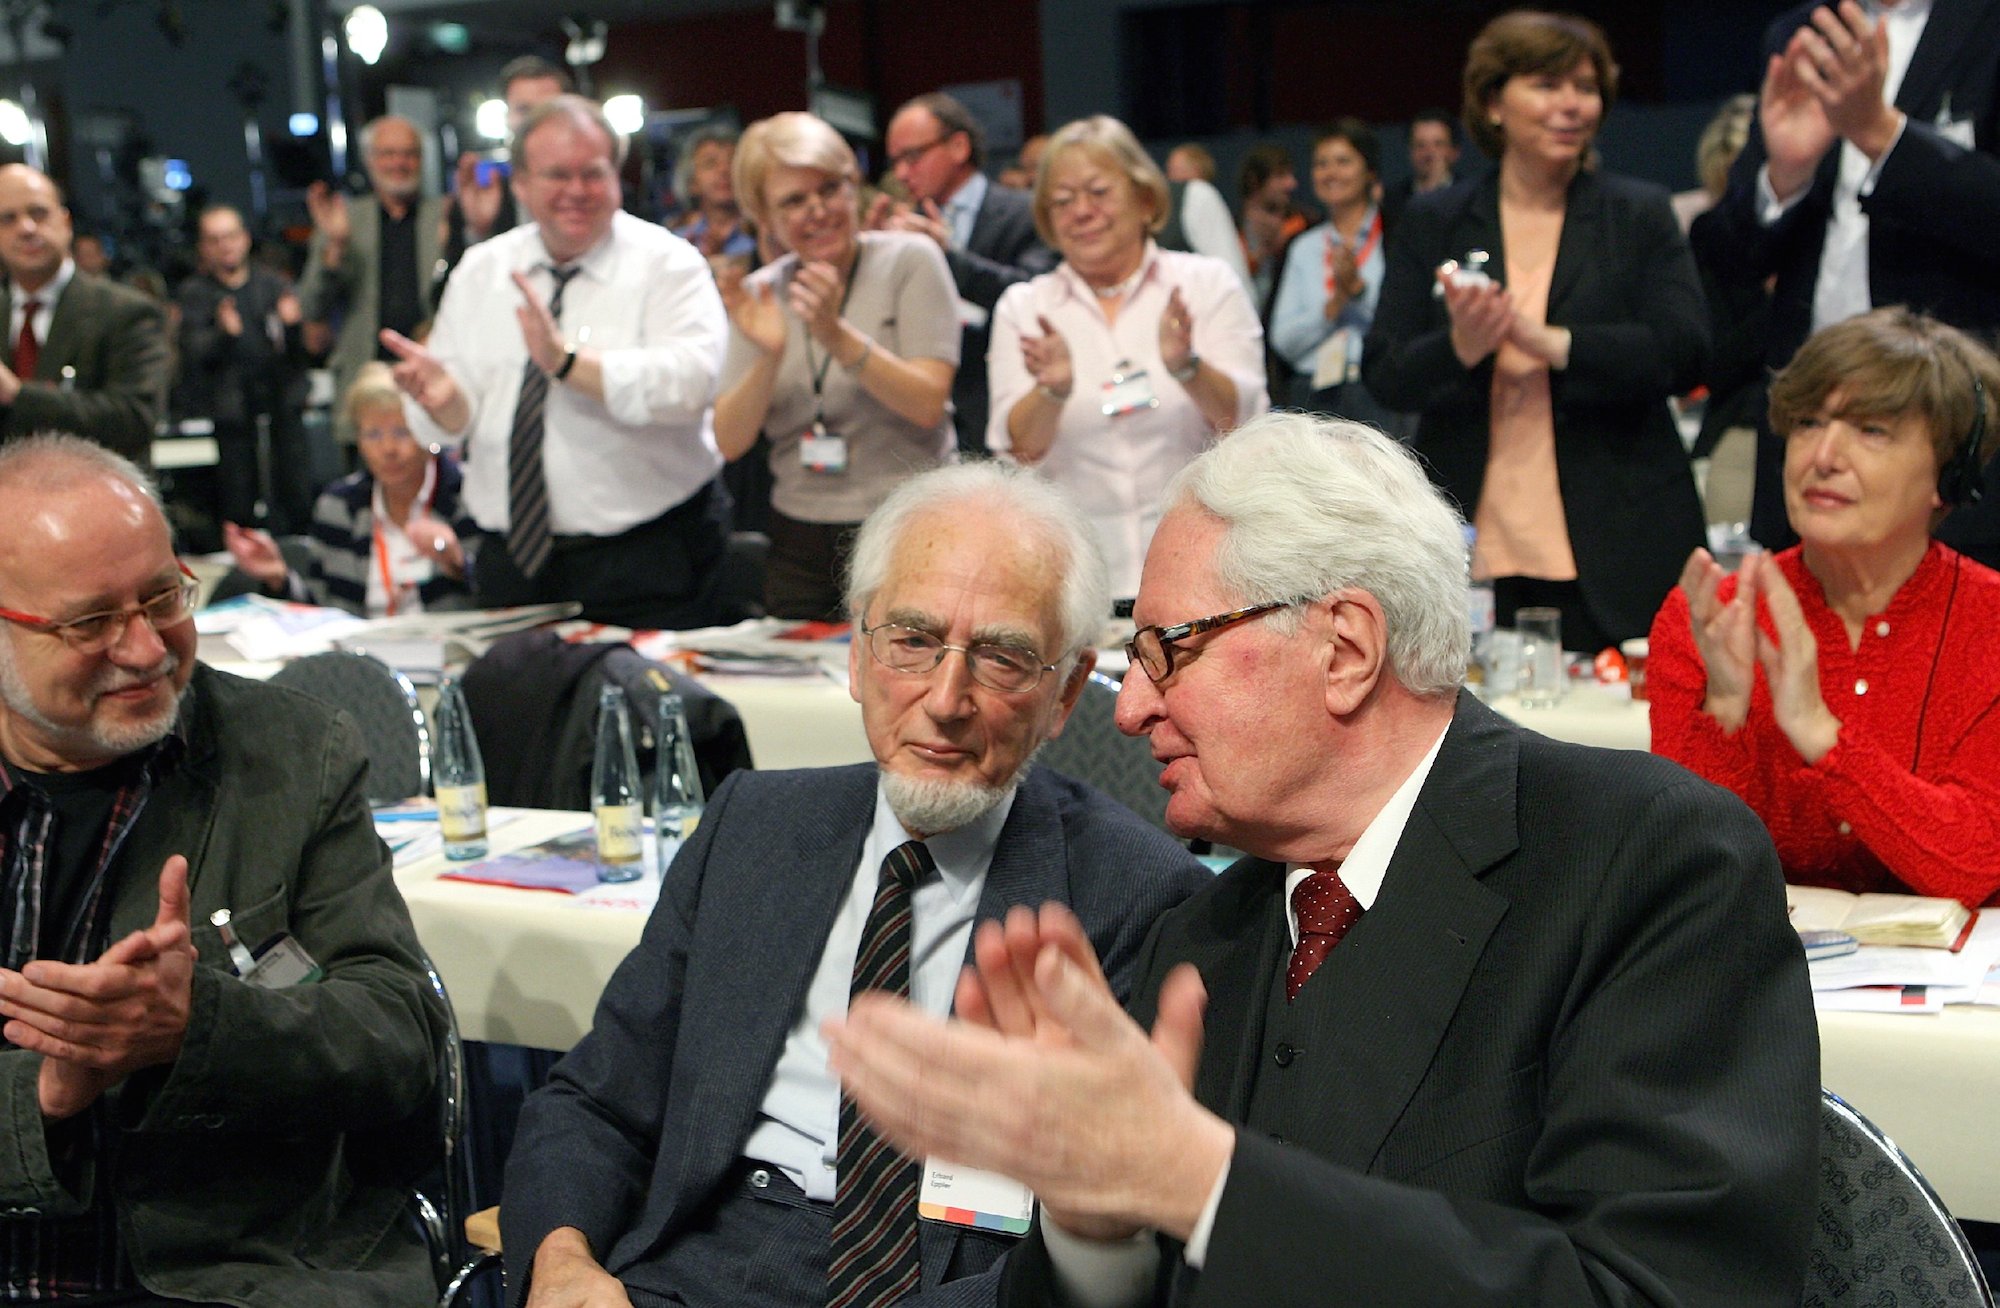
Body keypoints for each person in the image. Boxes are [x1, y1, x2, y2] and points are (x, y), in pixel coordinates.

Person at [826, 411, 1819, 1308]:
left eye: (1168, 650)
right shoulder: (1202, 931)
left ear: (1343, 648)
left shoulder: (1643, 863)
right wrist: (1097, 1220)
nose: (1126, 709)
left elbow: (1650, 1293)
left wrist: (1193, 1176)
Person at [501, 461, 1212, 1308]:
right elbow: (594, 1102)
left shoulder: (1135, 894)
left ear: (1063, 696)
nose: (945, 699)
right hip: (693, 1273)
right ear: (857, 651)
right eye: (913, 641)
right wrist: (564, 1262)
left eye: (1001, 658)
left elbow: (1102, 1248)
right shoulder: (752, 826)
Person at [0, 433, 447, 1305]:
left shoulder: (291, 755)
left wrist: (200, 1025)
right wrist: (47, 1093)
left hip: (232, 1273)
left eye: (164, 595)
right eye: (91, 621)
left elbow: (400, 1041)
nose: (145, 648)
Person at [1364, 10, 1710, 652]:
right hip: (1472, 540)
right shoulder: (1435, 219)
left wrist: (1554, 343)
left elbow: (1685, 349)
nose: (1572, 105)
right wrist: (1462, 348)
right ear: (1494, 103)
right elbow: (1384, 368)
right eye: (1548, 85)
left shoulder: (1636, 213)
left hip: (1617, 533)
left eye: (1585, 88)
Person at [1650, 309, 2000, 908]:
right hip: (1765, 985)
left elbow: (1973, 863)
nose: (1824, 457)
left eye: (1871, 431)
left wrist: (1822, 735)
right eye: (1809, 423)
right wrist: (1726, 715)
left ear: (1948, 475)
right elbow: (1687, 874)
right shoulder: (1709, 619)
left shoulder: (1989, 623)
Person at [388, 95, 733, 630]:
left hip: (648, 556)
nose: (577, 191)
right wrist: (444, 404)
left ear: (616, 176)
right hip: (512, 559)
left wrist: (569, 363)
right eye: (556, 175)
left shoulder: (668, 264)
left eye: (592, 173)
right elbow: (455, 423)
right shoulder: (481, 271)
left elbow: (693, 385)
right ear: (520, 184)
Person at [1689, 0, 2000, 566]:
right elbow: (1730, 258)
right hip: (1806, 434)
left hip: (1957, 446)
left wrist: (1881, 134)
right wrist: (1785, 175)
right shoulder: (1801, 29)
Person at [987, 115, 1267, 600]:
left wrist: (1188, 368)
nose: (1082, 211)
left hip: (1207, 578)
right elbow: (1020, 452)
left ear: (1144, 197)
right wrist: (1051, 392)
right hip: (1077, 581)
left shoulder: (1207, 285)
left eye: (1097, 192)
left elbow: (1244, 428)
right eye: (1063, 200)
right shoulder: (1024, 308)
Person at [714, 111, 959, 620]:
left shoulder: (910, 261)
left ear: (855, 188)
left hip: (910, 529)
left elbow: (927, 404)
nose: (818, 210)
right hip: (800, 540)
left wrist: (834, 334)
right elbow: (729, 440)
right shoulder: (761, 293)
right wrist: (768, 354)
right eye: (794, 201)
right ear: (767, 218)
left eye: (830, 189)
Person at [874, 92, 1056, 457]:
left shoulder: (1025, 211)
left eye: (912, 157)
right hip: (922, 427)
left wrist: (949, 259)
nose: (901, 173)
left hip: (1004, 414)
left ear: (958, 146)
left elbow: (1036, 295)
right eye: (895, 162)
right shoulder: (903, 226)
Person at [223, 362, 477, 618]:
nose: (388, 448)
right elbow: (323, 612)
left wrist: (458, 563)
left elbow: (501, 594)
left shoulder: (468, 494)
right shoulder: (340, 504)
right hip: (362, 651)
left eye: (402, 432)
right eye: (373, 435)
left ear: (427, 432)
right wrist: (280, 577)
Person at [0, 165, 170, 465]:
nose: (26, 228)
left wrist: (18, 395)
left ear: (66, 223)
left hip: (97, 499)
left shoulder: (127, 312)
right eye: (7, 219)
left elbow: (136, 419)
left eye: (38, 213)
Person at [299, 116, 447, 444]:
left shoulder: (444, 216)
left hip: (432, 378)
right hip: (364, 378)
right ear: (369, 160)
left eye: (409, 153)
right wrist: (335, 249)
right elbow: (310, 306)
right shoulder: (345, 219)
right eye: (388, 153)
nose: (399, 163)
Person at [176, 204, 313, 533]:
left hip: (280, 405)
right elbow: (193, 354)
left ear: (245, 239)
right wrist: (222, 334)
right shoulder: (195, 294)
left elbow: (300, 355)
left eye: (231, 236)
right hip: (232, 412)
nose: (225, 245)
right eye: (215, 239)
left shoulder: (272, 285)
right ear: (203, 247)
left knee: (294, 491)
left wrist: (294, 328)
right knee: (238, 498)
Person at [1267, 119, 1401, 430]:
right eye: (1321, 164)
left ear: (1369, 171)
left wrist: (1357, 293)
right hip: (1313, 396)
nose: (1330, 173)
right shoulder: (1303, 247)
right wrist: (1333, 306)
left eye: (1343, 161)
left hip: (1377, 391)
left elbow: (1404, 327)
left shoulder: (1395, 236)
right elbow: (1283, 339)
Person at [446, 54, 574, 269]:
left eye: (548, 109)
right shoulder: (479, 194)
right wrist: (478, 233)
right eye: (524, 110)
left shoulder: (599, 190)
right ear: (506, 117)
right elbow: (455, 291)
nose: (535, 121)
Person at [671, 124, 757, 268]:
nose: (724, 170)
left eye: (732, 161)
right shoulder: (678, 242)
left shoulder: (765, 235)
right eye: (710, 163)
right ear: (692, 183)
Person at [1236, 143, 1308, 308]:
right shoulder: (1228, 229)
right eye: (1281, 176)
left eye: (1290, 175)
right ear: (1254, 180)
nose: (1291, 184)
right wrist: (1256, 258)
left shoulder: (1305, 226)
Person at [1381, 108, 1464, 229]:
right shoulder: (1391, 201)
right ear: (1410, 151)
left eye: (1438, 144)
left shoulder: (1470, 198)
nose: (1428, 153)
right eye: (1420, 145)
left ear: (1455, 152)